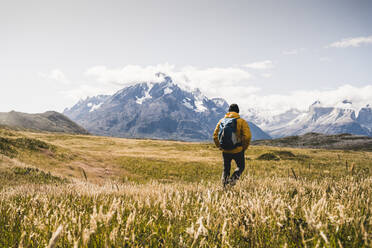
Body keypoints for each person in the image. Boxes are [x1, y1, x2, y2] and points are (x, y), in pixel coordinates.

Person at [213, 104, 252, 187]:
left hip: (225, 150)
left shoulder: (221, 121)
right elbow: (247, 136)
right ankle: (232, 182)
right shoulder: (241, 121)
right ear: (238, 111)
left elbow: (215, 135)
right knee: (240, 167)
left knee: (226, 169)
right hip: (238, 150)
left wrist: (219, 146)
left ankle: (224, 187)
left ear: (228, 111)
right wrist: (244, 147)